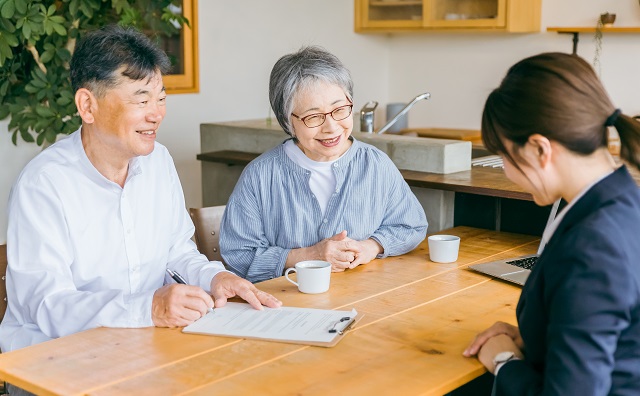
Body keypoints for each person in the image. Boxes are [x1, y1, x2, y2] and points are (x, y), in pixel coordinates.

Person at [0, 25, 281, 356]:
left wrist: (214, 278)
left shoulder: (158, 161)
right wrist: (147, 308)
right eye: (141, 99)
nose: (156, 114)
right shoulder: (44, 183)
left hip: (141, 346)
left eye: (160, 98)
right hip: (55, 359)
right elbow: (49, 305)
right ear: (87, 106)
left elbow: (177, 251)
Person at [463, 52, 640, 395]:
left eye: (504, 156)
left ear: (539, 149)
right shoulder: (621, 200)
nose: (508, 171)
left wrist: (503, 362)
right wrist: (537, 338)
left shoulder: (593, 245)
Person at [220, 46, 428, 283]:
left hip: (365, 298)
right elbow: (238, 256)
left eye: (340, 110)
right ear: (288, 121)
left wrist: (371, 247)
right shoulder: (260, 175)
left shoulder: (375, 165)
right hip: (289, 305)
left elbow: (411, 226)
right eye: (314, 116)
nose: (331, 127)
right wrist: (310, 255)